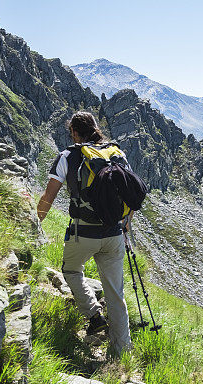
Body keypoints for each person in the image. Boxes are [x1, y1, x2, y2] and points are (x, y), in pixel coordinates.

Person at [36, 111, 132, 356]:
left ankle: (93, 315)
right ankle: (122, 353)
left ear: (74, 133)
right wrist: (126, 224)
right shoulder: (116, 154)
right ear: (96, 130)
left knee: (71, 270)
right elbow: (132, 194)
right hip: (114, 234)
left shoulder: (68, 156)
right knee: (115, 294)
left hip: (83, 233)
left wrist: (35, 223)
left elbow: (49, 196)